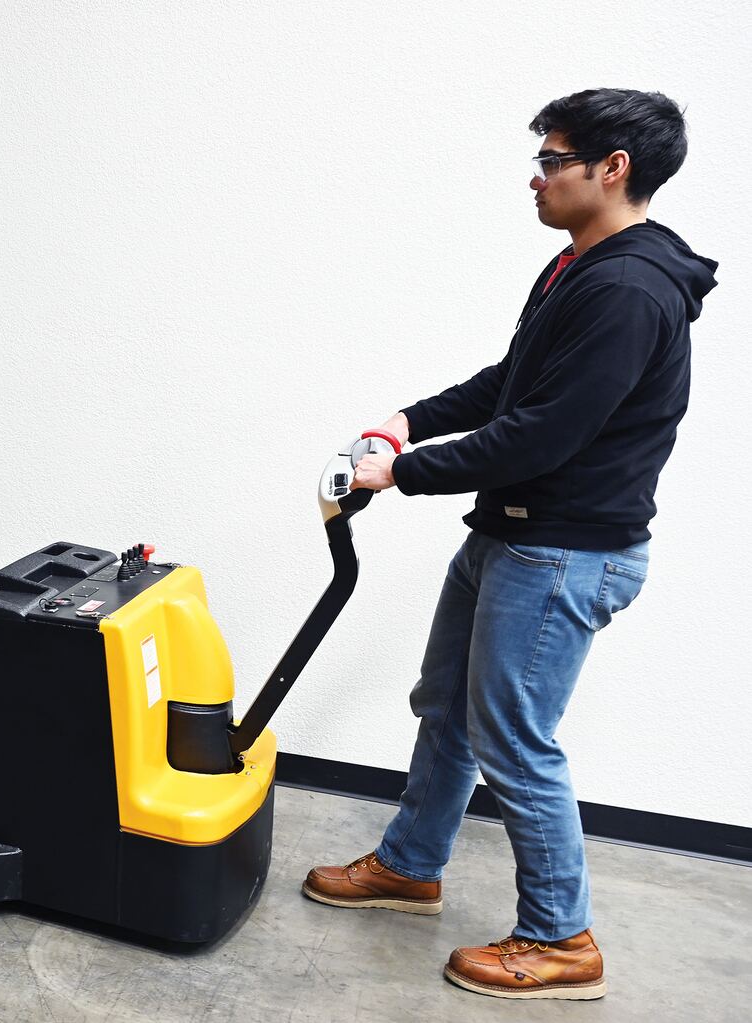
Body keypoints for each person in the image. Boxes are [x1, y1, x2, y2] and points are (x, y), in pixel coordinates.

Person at [301, 88, 717, 1001]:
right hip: (515, 532)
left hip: (564, 552)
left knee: (515, 740)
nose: (536, 177)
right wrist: (409, 420)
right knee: (447, 706)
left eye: (553, 160)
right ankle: (410, 865)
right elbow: (512, 384)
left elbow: (544, 435)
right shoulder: (576, 266)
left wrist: (402, 473)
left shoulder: (630, 289)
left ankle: (562, 940)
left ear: (613, 168)